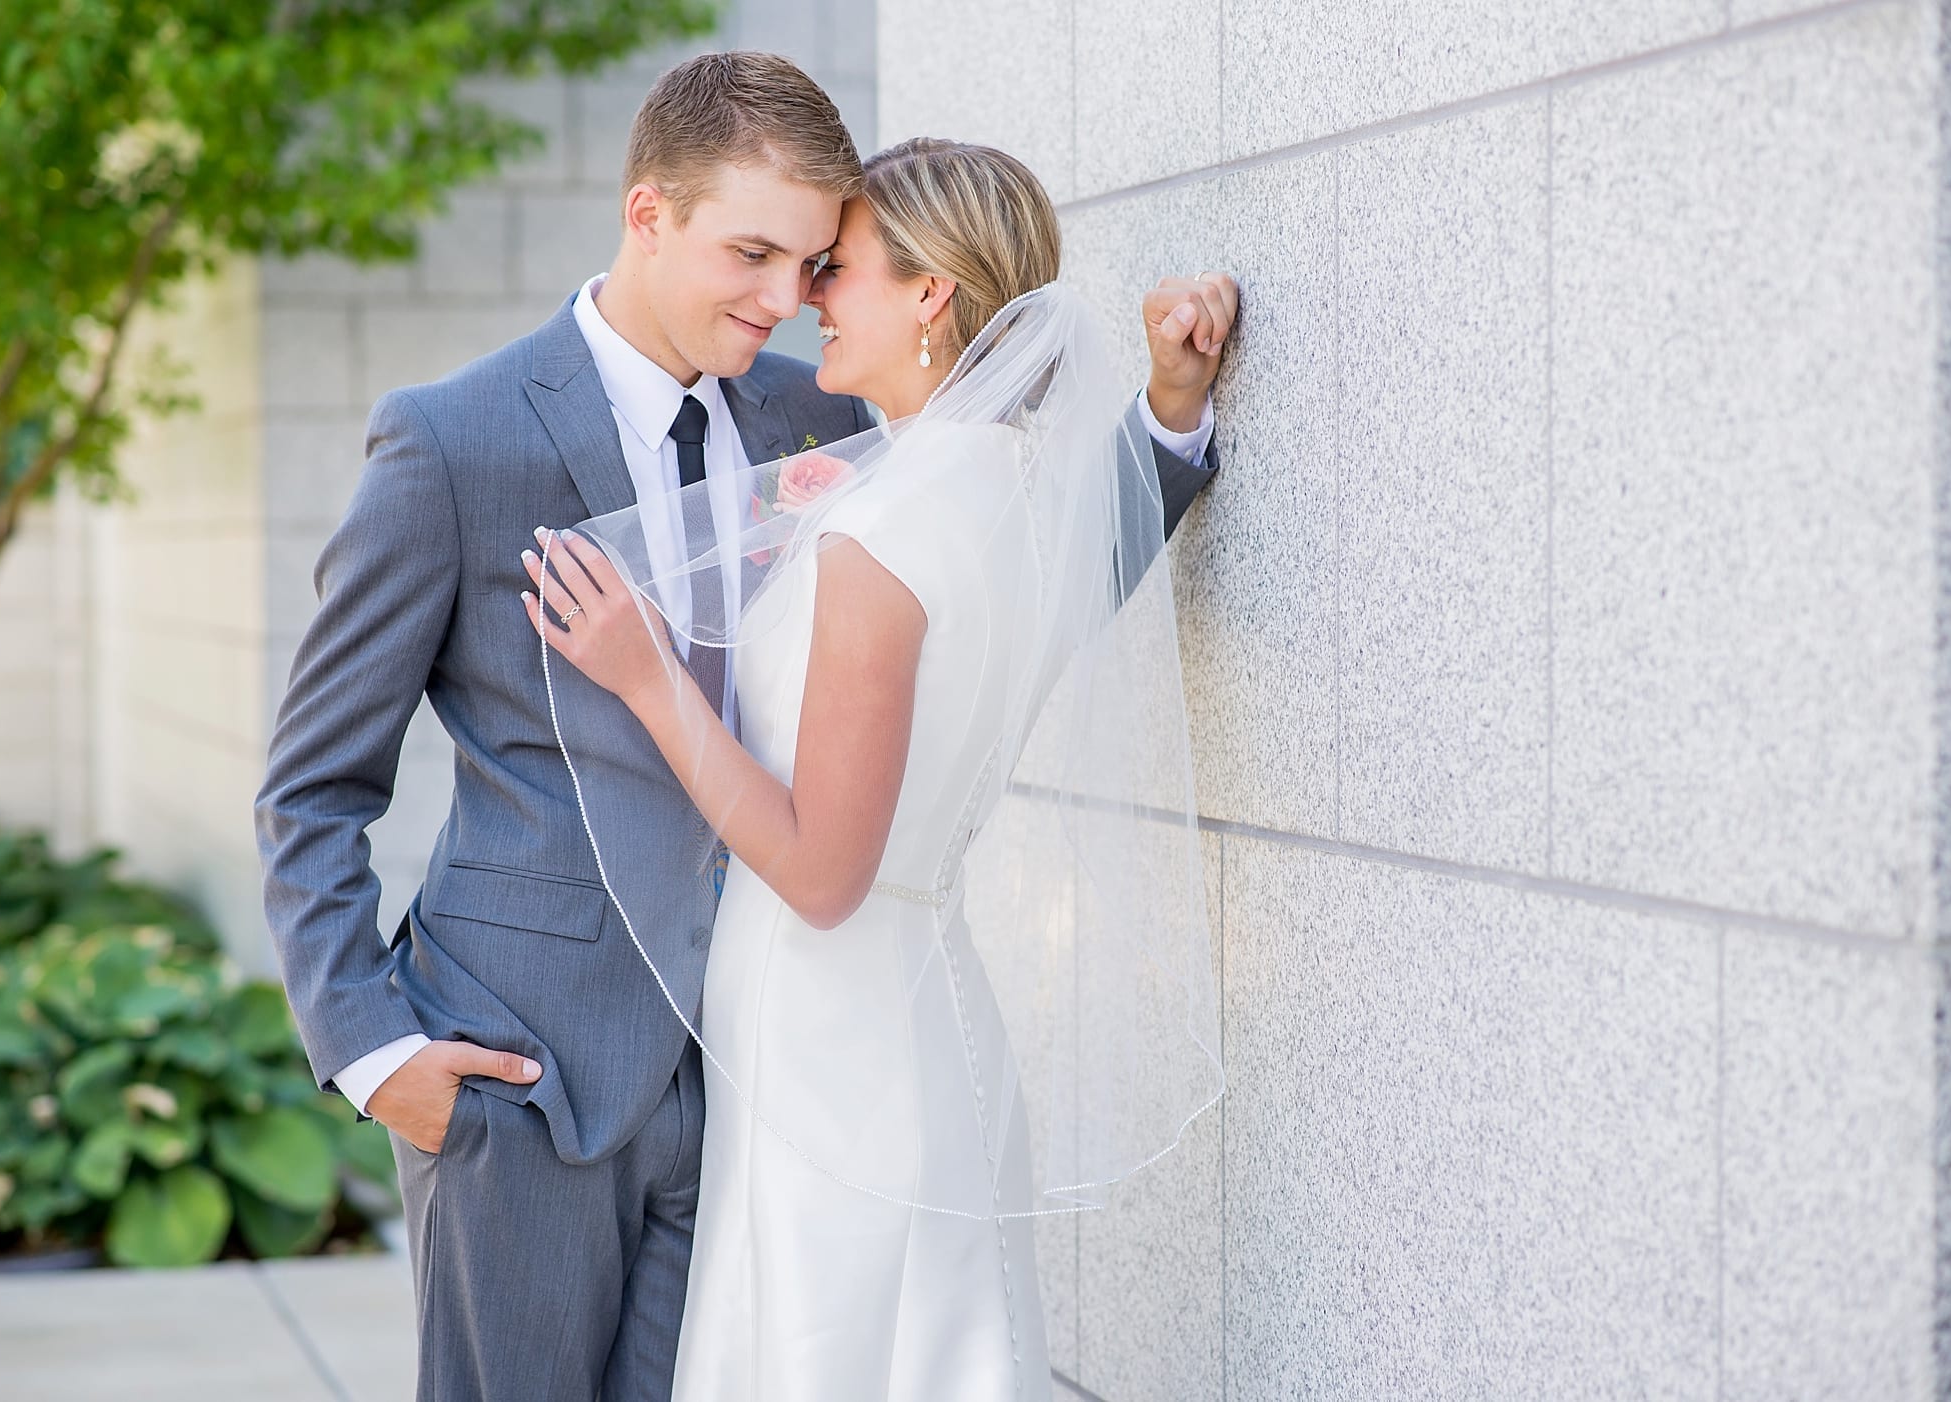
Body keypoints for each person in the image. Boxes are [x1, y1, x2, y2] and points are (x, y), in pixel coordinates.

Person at [257, 50, 1232, 1401]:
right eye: (753, 253)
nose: (783, 301)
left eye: (815, 261)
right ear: (649, 212)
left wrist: (1167, 428)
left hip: (764, 1085)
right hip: (523, 1076)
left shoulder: (820, 404)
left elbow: (1010, 560)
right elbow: (312, 785)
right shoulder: (450, 443)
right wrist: (377, 1054)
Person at [523, 136, 1234, 1400]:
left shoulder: (882, 528)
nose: (804, 298)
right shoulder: (1018, 493)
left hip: (835, 1040)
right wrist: (1173, 410)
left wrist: (645, 676)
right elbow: (1115, 529)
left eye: (837, 269)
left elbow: (821, 871)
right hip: (908, 1011)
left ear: (929, 296)